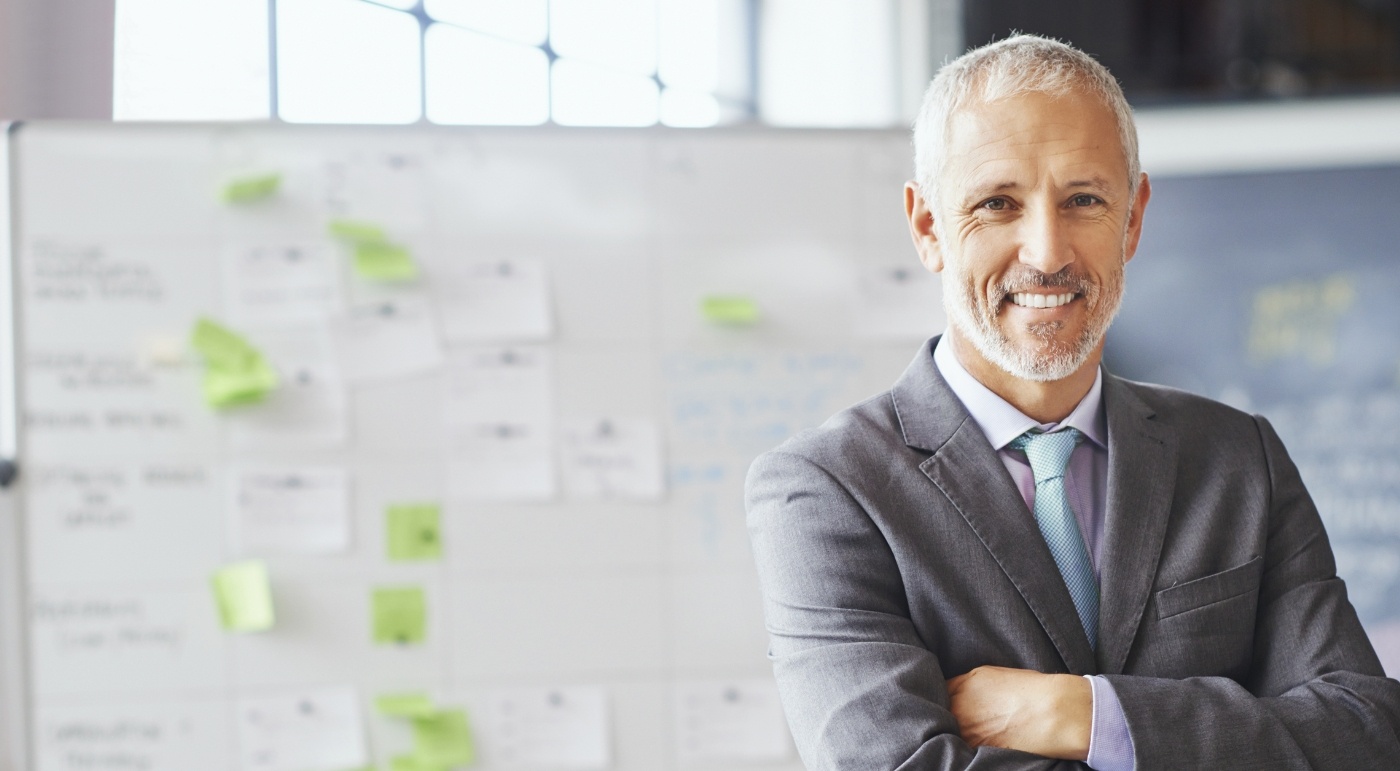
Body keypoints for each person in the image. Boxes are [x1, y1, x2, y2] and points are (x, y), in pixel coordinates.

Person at [745, 33, 1400, 770]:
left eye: (1083, 198)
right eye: (997, 203)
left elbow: (1365, 732)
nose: (1047, 251)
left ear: (1133, 218)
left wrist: (1083, 712)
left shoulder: (1238, 457)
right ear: (928, 226)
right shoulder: (827, 489)